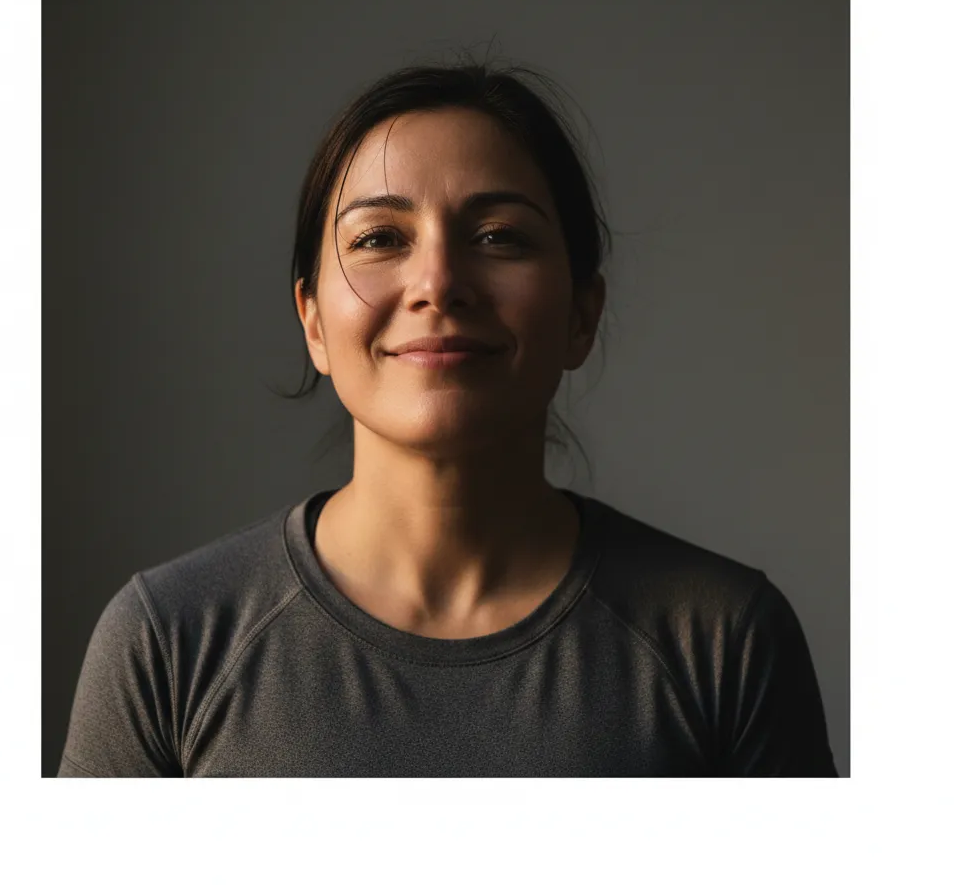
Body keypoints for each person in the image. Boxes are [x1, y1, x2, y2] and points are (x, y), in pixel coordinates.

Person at [58, 60, 838, 777]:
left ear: (581, 314)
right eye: (379, 239)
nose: (438, 281)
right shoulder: (168, 640)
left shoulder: (724, 639)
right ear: (314, 323)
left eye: (499, 236)